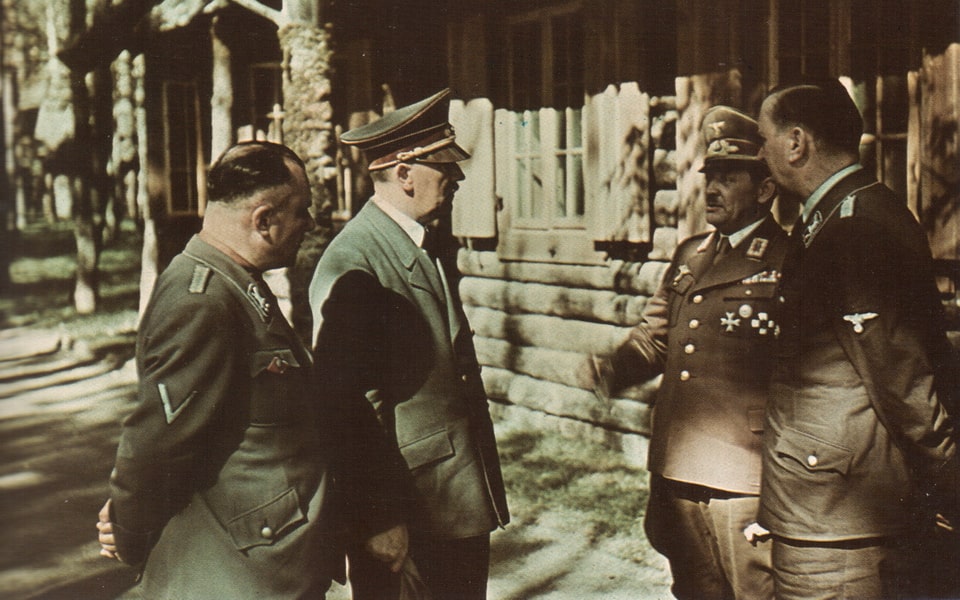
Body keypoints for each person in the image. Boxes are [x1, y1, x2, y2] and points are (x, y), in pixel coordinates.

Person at [95, 141, 404, 598]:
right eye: (301, 210)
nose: (309, 223)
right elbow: (156, 444)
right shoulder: (202, 302)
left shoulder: (236, 284)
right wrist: (128, 529)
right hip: (240, 577)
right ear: (263, 220)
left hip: (269, 562)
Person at [755, 80, 959, 599]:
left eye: (764, 140)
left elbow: (902, 380)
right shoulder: (839, 214)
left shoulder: (853, 227)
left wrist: (949, 481)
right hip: (824, 503)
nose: (760, 155)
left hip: (839, 519)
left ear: (796, 142)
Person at [309, 88, 509, 600]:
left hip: (448, 500)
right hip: (407, 509)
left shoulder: (419, 240)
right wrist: (376, 517)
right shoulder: (354, 261)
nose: (457, 177)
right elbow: (343, 404)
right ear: (403, 173)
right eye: (443, 166)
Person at [593, 106, 785, 600]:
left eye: (729, 178)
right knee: (694, 591)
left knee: (754, 591)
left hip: (744, 474)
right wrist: (612, 369)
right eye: (709, 177)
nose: (712, 190)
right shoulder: (689, 255)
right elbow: (656, 338)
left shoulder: (790, 261)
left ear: (765, 189)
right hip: (679, 466)